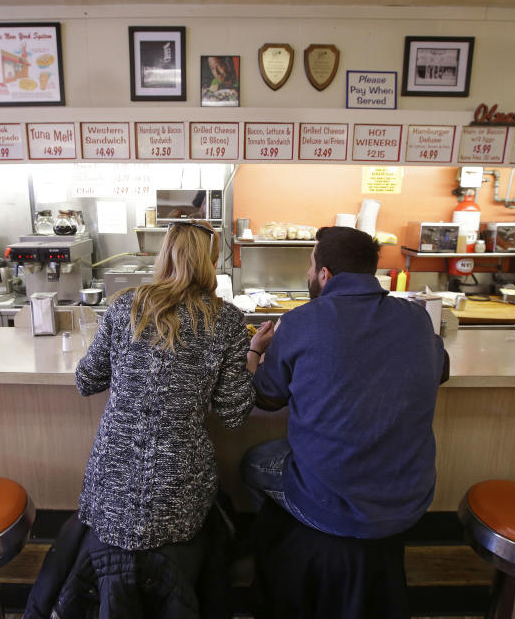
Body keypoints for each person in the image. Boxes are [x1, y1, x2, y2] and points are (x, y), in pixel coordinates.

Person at [242, 226, 448, 613]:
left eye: (310, 265)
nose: (308, 274)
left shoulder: (301, 321)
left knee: (253, 463)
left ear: (324, 275)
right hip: (408, 499)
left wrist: (255, 355)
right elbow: (441, 368)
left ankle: (291, 547)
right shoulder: (417, 319)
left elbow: (266, 398)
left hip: (329, 500)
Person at [76, 219, 274, 551]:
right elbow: (233, 414)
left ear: (163, 257)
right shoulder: (225, 320)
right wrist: (253, 353)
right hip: (178, 495)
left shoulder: (126, 306)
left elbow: (86, 380)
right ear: (211, 264)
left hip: (110, 491)